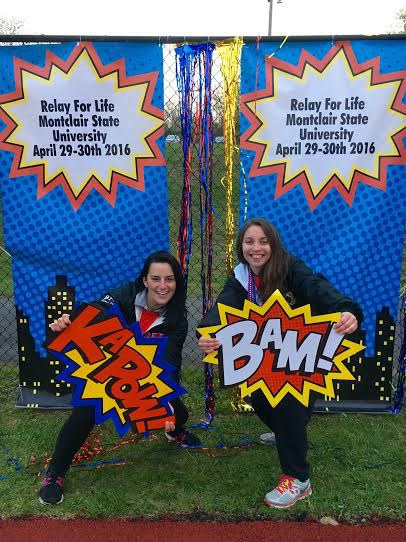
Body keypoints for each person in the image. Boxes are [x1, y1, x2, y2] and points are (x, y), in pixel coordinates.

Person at [197, 218, 362, 509]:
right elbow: (224, 306)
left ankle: (299, 479)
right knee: (255, 392)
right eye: (249, 242)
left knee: (288, 403)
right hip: (267, 358)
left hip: (301, 357)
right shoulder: (240, 277)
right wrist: (210, 332)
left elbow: (317, 288)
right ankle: (286, 433)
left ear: (273, 245)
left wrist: (347, 310)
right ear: (241, 247)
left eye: (263, 241)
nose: (256, 248)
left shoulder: (290, 267)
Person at [39, 251, 200, 506]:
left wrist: (166, 401)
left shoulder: (177, 318)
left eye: (169, 279)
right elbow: (95, 309)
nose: (162, 286)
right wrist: (68, 321)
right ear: (145, 280)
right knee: (83, 414)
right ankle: (54, 474)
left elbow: (169, 362)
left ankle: (175, 432)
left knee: (178, 413)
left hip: (143, 380)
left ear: (176, 282)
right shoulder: (125, 294)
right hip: (107, 372)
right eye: (155, 278)